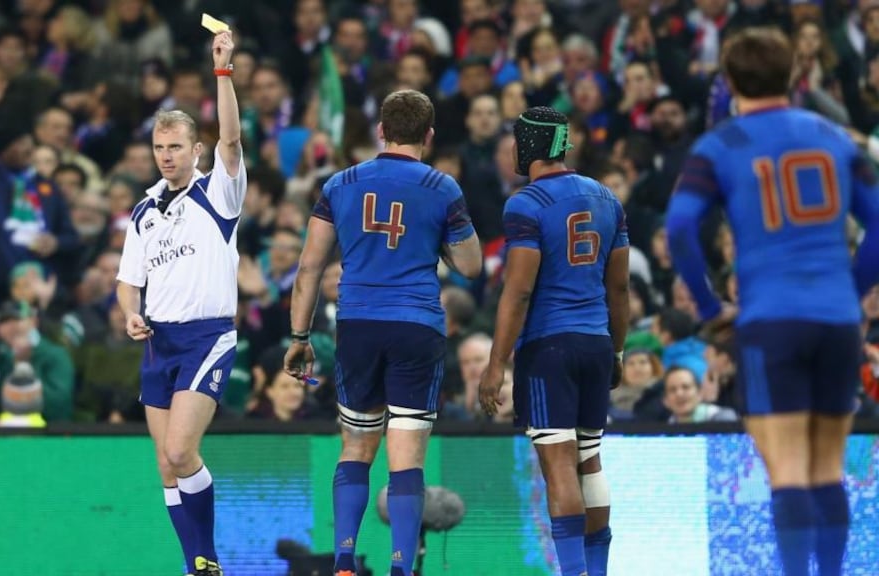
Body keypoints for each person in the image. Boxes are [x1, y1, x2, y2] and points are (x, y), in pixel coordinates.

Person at [665, 27, 879, 576]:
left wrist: (711, 310)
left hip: (770, 321)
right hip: (836, 321)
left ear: (730, 81)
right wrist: (849, 292)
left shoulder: (722, 144)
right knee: (828, 467)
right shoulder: (834, 136)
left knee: (787, 470)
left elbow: (683, 226)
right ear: (792, 76)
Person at [284, 89, 482, 576]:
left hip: (358, 325)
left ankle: (345, 560)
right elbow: (472, 266)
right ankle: (400, 566)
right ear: (429, 136)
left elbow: (309, 269)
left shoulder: (339, 184)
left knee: (355, 446)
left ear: (381, 131)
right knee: (407, 453)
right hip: (416, 325)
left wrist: (299, 337)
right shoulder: (442, 188)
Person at [478, 106, 630, 576]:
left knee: (558, 462)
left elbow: (519, 289)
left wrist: (496, 363)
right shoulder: (607, 197)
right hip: (597, 340)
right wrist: (618, 349)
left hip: (549, 345)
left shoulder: (525, 203)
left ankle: (574, 572)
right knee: (590, 459)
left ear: (529, 147)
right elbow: (619, 287)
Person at [115, 30, 246, 576]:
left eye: (176, 147)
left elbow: (233, 143)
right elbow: (129, 280)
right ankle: (196, 565)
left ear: (196, 150)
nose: (166, 156)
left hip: (207, 335)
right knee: (165, 469)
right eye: (159, 147)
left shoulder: (218, 192)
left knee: (179, 452)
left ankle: (208, 558)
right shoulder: (144, 210)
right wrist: (129, 311)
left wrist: (222, 72)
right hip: (159, 342)